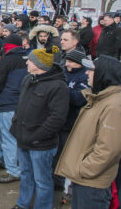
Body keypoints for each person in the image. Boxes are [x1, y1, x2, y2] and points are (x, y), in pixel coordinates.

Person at [55, 55, 121, 209]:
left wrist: (83, 169)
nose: (86, 73)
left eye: (91, 70)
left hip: (92, 182)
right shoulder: (99, 98)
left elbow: (109, 149)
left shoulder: (114, 106)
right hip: (83, 179)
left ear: (104, 74)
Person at [9, 45, 69, 209]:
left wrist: (36, 136)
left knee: (42, 180)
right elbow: (20, 105)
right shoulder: (28, 79)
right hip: (23, 138)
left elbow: (57, 119)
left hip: (41, 144)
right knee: (26, 175)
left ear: (40, 64)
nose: (26, 63)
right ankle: (23, 204)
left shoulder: (58, 86)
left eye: (30, 60)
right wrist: (16, 125)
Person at [0, 34, 26, 183]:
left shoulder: (6, 61)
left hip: (6, 103)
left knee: (7, 137)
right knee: (6, 136)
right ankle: (1, 159)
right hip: (18, 103)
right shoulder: (26, 59)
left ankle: (13, 171)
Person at [52, 49, 89, 190]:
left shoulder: (84, 76)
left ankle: (59, 180)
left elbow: (79, 99)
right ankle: (54, 176)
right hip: (57, 118)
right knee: (55, 151)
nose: (67, 64)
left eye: (71, 62)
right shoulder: (62, 71)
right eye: (67, 60)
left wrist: (61, 88)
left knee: (64, 151)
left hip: (71, 120)